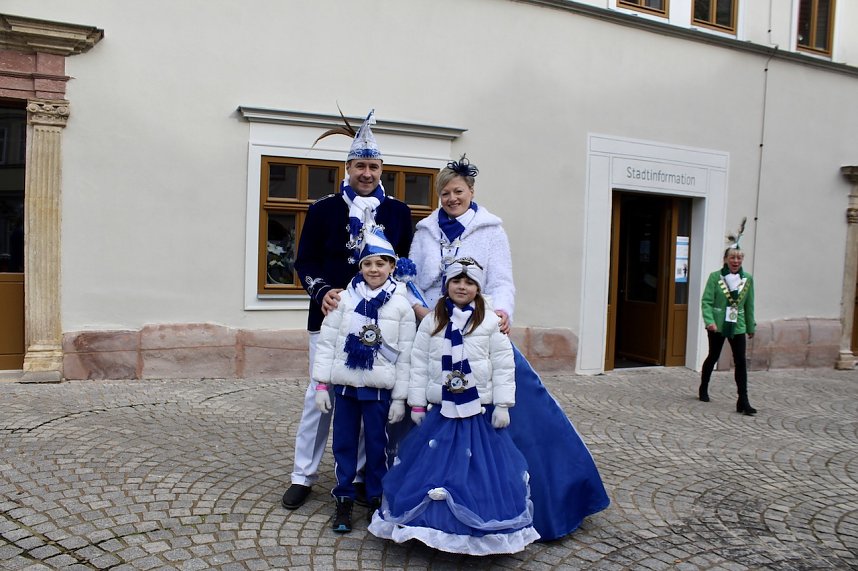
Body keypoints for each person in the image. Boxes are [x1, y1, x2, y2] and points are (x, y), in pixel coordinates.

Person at [406, 155, 610, 541]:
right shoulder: (425, 233)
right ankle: (439, 512)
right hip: (438, 331)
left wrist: (500, 313)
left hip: (480, 330)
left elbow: (502, 281)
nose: (452, 198)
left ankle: (552, 498)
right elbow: (415, 283)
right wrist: (424, 312)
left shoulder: (490, 230)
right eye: (446, 192)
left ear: (472, 192)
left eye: (459, 191)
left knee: (524, 409)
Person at [283, 110, 413, 510]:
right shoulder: (323, 209)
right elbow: (303, 263)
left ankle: (356, 477)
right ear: (348, 167)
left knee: (366, 398)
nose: (367, 173)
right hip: (330, 318)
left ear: (381, 170)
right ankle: (303, 475)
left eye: (373, 166)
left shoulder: (399, 213)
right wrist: (321, 291)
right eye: (360, 165)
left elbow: (405, 266)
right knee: (318, 396)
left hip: (379, 322)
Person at [369, 258, 540, 555]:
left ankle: (474, 530)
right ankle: (434, 528)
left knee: (476, 470)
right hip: (441, 409)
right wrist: (417, 403)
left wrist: (502, 404)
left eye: (469, 282)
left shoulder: (489, 322)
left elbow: (502, 365)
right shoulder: (434, 320)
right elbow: (419, 362)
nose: (462, 287)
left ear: (478, 288)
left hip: (477, 410)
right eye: (457, 281)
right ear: (447, 285)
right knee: (435, 467)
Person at [311, 225, 416, 532]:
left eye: (380, 263)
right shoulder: (344, 300)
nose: (373, 269)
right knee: (343, 443)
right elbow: (328, 342)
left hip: (380, 391)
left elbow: (407, 354)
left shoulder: (400, 305)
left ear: (392, 267)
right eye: (367, 264)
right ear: (360, 267)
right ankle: (343, 497)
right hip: (345, 386)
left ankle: (374, 497)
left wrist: (400, 397)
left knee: (376, 446)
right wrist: (321, 384)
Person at [699, 218, 757, 415]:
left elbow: (749, 305)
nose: (736, 261)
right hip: (718, 324)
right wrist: (709, 322)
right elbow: (706, 301)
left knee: (740, 361)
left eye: (739, 258)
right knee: (713, 357)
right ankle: (703, 387)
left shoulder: (747, 279)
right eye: (732, 258)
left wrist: (750, 327)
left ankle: (743, 400)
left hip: (738, 324)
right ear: (726, 259)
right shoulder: (716, 277)